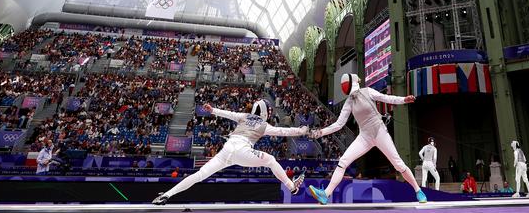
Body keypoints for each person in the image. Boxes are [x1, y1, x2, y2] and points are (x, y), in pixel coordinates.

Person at [152, 99, 308, 205]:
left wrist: (212, 110)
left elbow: (227, 113)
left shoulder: (244, 116)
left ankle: (167, 194)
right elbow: (283, 131)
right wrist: (301, 130)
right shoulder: (264, 125)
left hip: (226, 150)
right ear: (266, 112)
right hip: (243, 150)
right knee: (271, 160)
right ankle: (292, 187)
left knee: (199, 175)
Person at [306, 73, 426, 205]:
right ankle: (326, 194)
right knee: (343, 161)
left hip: (380, 133)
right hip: (364, 137)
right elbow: (339, 124)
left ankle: (418, 190)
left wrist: (403, 99)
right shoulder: (349, 102)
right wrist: (321, 132)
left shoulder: (367, 91)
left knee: (398, 164)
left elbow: (386, 98)